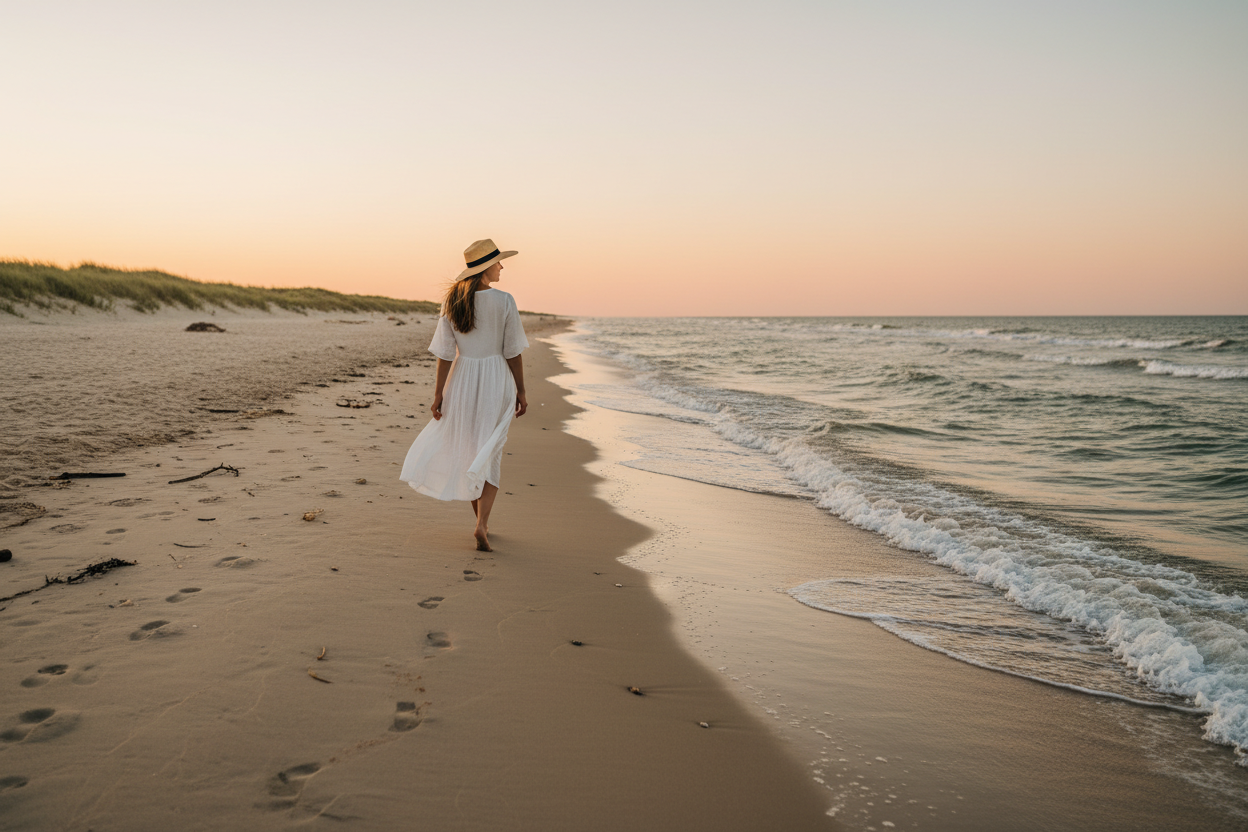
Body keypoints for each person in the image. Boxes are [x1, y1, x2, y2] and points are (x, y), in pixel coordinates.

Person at [399, 239, 529, 552]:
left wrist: (439, 393)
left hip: (462, 380)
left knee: (472, 449)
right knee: (491, 450)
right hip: (496, 379)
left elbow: (445, 354)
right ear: (486, 268)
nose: (501, 266)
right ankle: (482, 524)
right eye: (498, 262)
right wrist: (521, 390)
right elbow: (512, 352)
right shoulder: (505, 301)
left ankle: (481, 522)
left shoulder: (454, 302)